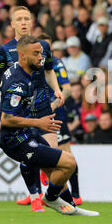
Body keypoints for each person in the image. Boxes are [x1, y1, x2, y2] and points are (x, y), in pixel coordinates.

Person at [0, 35, 98, 216]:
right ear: (22, 56)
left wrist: (57, 89)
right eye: (35, 54)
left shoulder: (39, 57)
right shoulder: (16, 82)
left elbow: (49, 67)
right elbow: (6, 119)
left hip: (27, 132)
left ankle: (70, 207)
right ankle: (49, 198)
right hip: (14, 140)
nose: (40, 57)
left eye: (41, 53)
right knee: (69, 163)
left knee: (55, 170)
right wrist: (39, 122)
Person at [0, 6, 64, 212]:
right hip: (18, 108)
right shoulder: (4, 50)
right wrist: (0, 90)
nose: (23, 22)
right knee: (29, 152)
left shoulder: (43, 47)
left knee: (51, 151)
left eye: (26, 19)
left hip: (41, 105)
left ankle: (52, 195)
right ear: (12, 24)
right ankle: (35, 195)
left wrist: (57, 89)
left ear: (31, 22)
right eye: (19, 19)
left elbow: (49, 71)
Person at [38, 34, 83, 205]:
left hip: (56, 114)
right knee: (36, 152)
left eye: (48, 46)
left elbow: (68, 89)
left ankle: (76, 194)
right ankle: (34, 194)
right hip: (37, 115)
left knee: (65, 155)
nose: (45, 50)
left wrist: (53, 104)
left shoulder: (56, 63)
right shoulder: (33, 63)